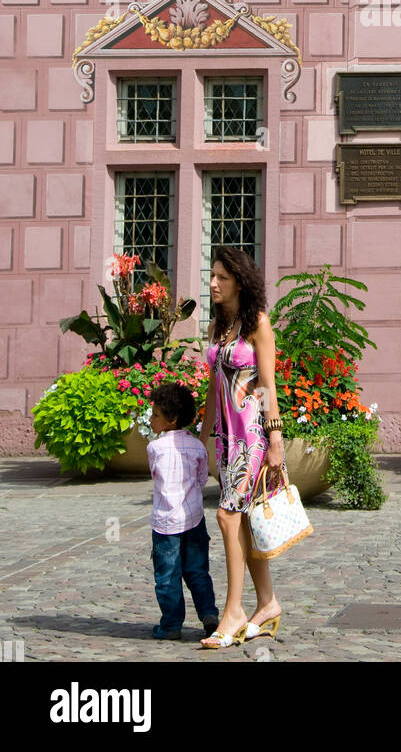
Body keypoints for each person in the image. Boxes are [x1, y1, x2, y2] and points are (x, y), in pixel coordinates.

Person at [200, 246, 285, 649]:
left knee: (227, 517)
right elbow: (214, 384)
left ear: (240, 282)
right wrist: (204, 434)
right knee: (244, 522)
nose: (213, 283)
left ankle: (233, 612)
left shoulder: (258, 325)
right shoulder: (219, 327)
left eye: (222, 278)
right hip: (225, 439)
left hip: (251, 436)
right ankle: (266, 604)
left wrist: (276, 438)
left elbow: (268, 385)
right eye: (212, 276)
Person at [146, 381, 219, 641]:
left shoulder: (155, 448)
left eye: (155, 415)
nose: (151, 419)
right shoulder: (198, 448)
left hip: (166, 523)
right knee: (198, 571)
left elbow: (156, 477)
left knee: (167, 576)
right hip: (194, 518)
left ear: (171, 419)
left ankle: (171, 624)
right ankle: (209, 614)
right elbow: (201, 479)